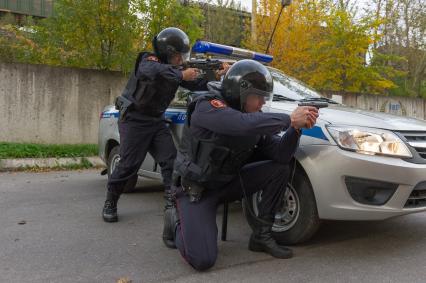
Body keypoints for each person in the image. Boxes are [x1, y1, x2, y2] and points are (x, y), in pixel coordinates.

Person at [164, 59, 319, 271]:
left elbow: (281, 154)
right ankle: (175, 220)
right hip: (196, 190)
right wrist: (290, 119)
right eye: (259, 98)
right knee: (202, 260)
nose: (263, 104)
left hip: (227, 183)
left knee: (280, 168)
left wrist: (297, 129)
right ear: (241, 92)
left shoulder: (252, 116)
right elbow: (239, 125)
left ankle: (261, 236)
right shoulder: (207, 107)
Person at [101, 26, 229, 245]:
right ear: (167, 51)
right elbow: (149, 72)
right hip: (135, 120)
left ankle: (172, 208)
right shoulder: (148, 60)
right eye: (178, 55)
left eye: (182, 56)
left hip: (156, 121)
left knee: (171, 162)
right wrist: (180, 72)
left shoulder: (174, 69)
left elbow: (194, 84)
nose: (181, 60)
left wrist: (215, 74)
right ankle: (110, 201)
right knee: (128, 165)